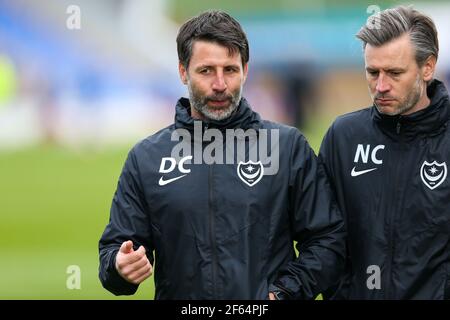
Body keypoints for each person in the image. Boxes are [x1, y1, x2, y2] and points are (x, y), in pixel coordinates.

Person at [99, 10, 345, 300]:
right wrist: (119, 266)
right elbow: (116, 251)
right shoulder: (147, 158)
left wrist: (284, 293)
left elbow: (328, 239)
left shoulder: (287, 147)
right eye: (206, 71)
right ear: (182, 71)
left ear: (246, 70)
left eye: (230, 70)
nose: (219, 84)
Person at [319, 6, 450, 299]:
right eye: (372, 72)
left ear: (427, 67)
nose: (380, 86)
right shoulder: (344, 137)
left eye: (394, 73)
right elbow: (320, 237)